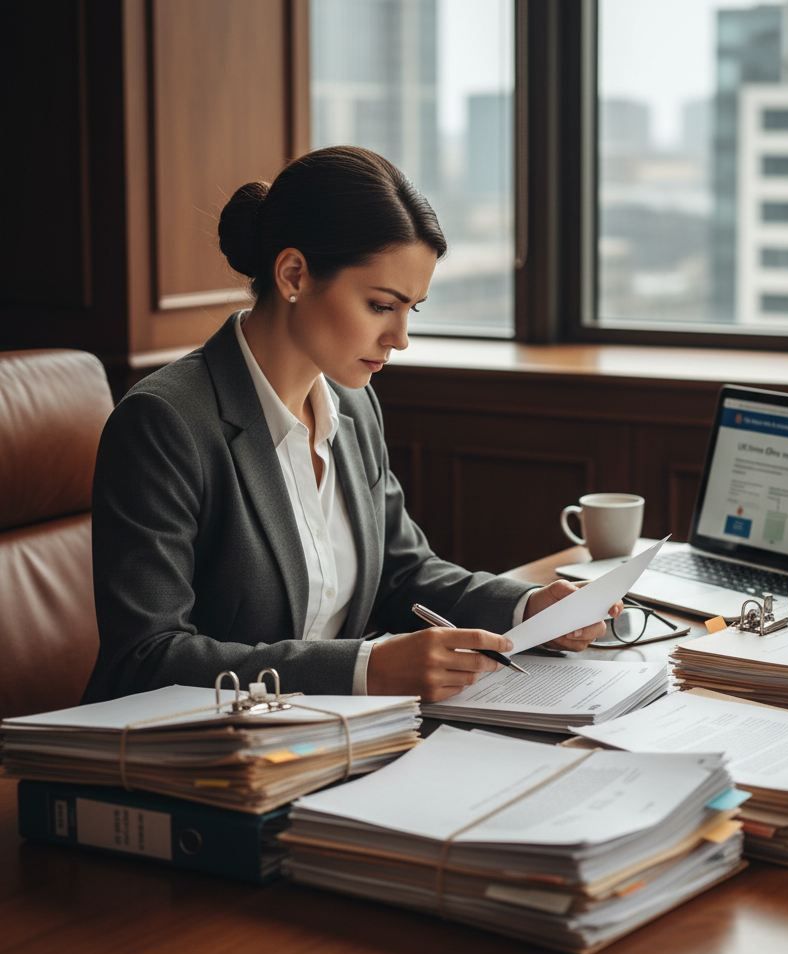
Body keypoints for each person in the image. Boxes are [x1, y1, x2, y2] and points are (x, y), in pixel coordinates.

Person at [83, 146, 617, 704]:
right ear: (294, 274)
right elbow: (145, 659)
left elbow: (403, 573)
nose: (401, 338)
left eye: (413, 309)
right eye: (381, 305)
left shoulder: (351, 406)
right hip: (198, 754)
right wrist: (363, 670)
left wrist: (527, 607)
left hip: (332, 737)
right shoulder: (164, 424)